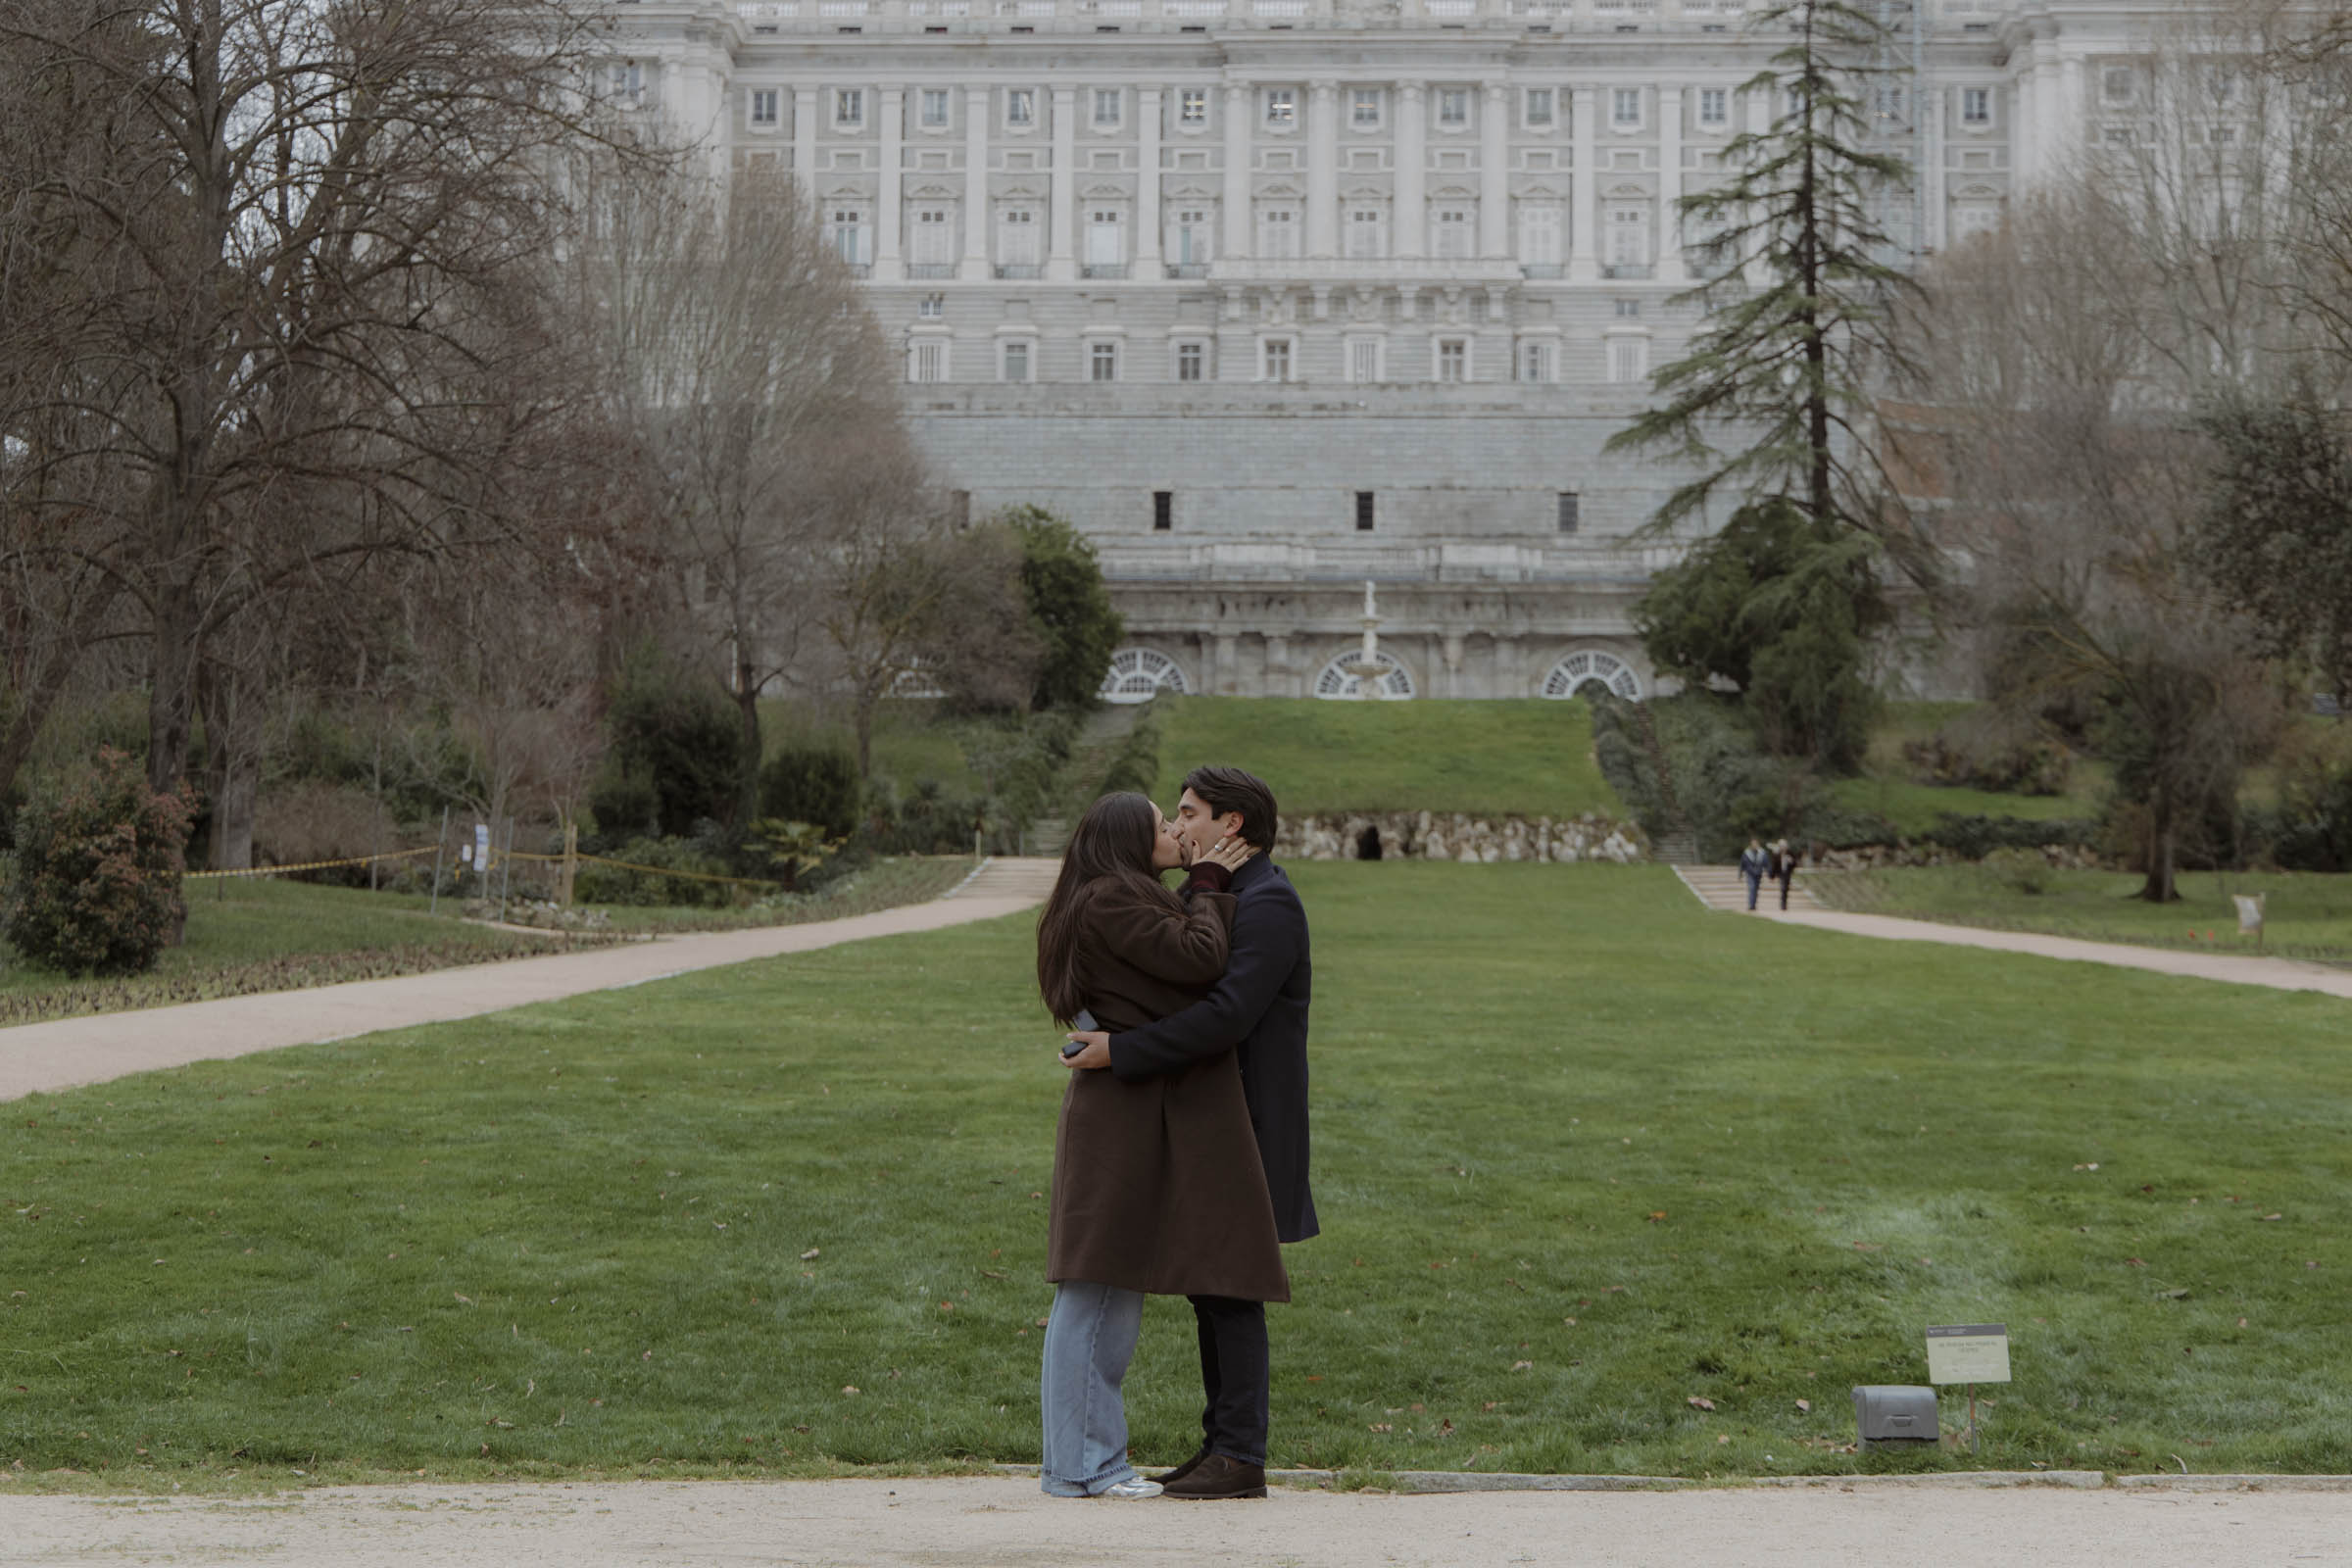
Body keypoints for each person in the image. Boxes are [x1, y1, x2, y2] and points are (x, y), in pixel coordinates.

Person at [1063, 766, 1314, 1502]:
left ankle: (1239, 1453)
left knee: (1230, 1285)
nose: (1177, 826)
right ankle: (1223, 1447)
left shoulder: (1268, 903)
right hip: (1209, 1120)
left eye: (1188, 812)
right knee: (1213, 1284)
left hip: (1251, 1121)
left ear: (1229, 825)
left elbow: (1225, 1016)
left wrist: (1122, 1051)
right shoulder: (1217, 890)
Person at [1739, 836, 1771, 911]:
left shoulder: (1762, 853)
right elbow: (1742, 864)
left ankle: (1754, 904)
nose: (1755, 845)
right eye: (1753, 844)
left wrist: (1769, 874)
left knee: (1756, 889)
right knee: (1751, 888)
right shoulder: (1747, 853)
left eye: (1756, 844)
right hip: (1750, 873)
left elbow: (1766, 864)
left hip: (1758, 874)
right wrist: (1740, 874)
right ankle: (1751, 905)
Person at [1771, 838, 1798, 910]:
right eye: (1781, 846)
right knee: (1783, 888)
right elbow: (1774, 865)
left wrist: (1791, 861)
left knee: (1785, 889)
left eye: (1784, 846)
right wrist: (1772, 876)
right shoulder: (1777, 854)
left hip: (1787, 873)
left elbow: (1795, 863)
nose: (1783, 848)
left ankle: (1784, 903)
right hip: (1780, 873)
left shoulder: (1790, 853)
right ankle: (1783, 904)